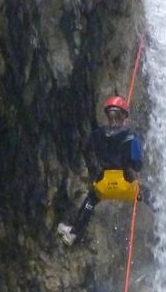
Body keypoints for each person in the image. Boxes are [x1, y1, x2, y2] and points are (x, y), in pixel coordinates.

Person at [56, 95, 143, 246]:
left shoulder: (96, 135)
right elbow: (137, 163)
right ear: (124, 116)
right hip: (127, 184)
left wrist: (93, 171)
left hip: (103, 185)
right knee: (152, 198)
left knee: (90, 201)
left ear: (108, 115)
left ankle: (73, 233)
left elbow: (86, 150)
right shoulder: (131, 136)